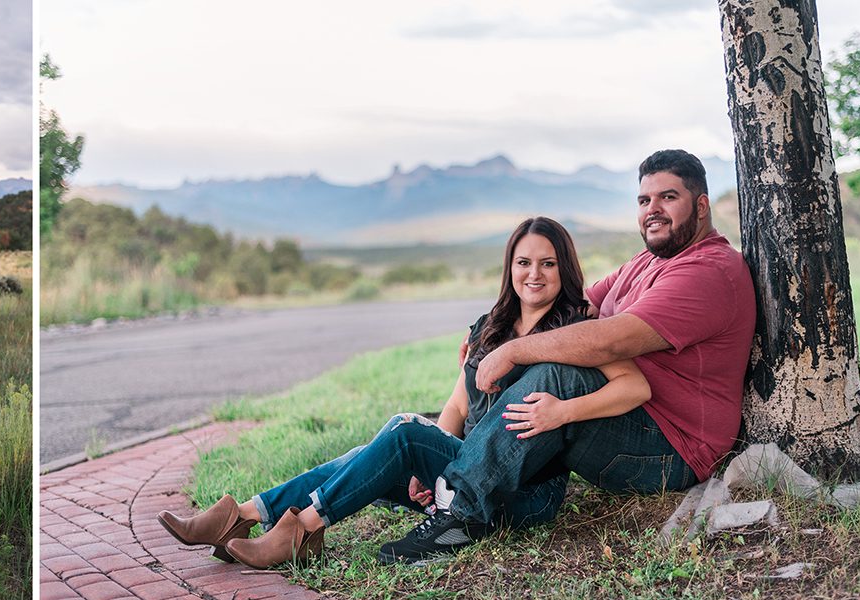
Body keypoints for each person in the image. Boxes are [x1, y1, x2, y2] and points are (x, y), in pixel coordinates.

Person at [157, 216, 652, 568]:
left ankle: (301, 530)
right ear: (510, 267)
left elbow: (635, 386)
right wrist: (427, 468)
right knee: (375, 451)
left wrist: (564, 412)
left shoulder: (576, 326)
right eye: (524, 262)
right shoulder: (490, 326)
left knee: (402, 431)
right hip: (467, 469)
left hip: (524, 492)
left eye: (547, 264)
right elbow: (458, 405)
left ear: (564, 268)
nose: (534, 274)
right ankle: (245, 515)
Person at [376, 149, 757, 564]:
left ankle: (459, 513)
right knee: (550, 352)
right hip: (628, 416)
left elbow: (606, 341)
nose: (653, 210)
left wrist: (511, 350)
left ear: (701, 206)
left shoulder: (708, 271)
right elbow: (571, 307)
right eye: (644, 200)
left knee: (559, 372)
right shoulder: (646, 261)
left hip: (673, 447)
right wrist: (493, 336)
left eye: (668, 198)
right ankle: (413, 477)